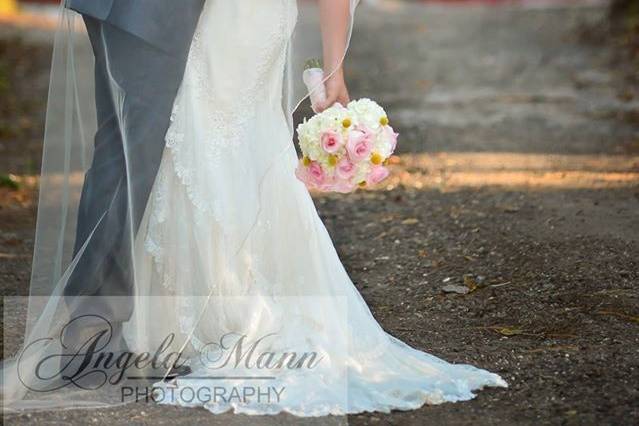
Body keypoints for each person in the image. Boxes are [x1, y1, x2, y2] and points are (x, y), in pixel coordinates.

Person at [2, 0, 506, 415]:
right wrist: (333, 67)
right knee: (169, 141)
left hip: (223, 21)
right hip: (197, 18)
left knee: (176, 141)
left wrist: (334, 64)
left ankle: (147, 320)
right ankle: (125, 325)